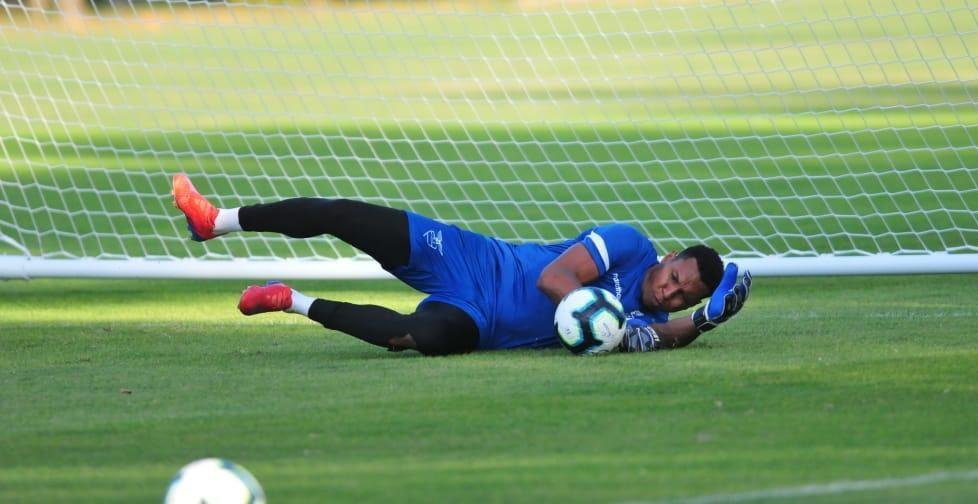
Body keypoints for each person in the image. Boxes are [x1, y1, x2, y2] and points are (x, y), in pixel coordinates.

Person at [172, 173, 751, 356]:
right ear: (669, 257)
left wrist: (706, 322)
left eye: (683, 296)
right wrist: (599, 315)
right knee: (343, 214)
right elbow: (555, 278)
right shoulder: (628, 245)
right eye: (674, 278)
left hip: (482, 324)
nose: (671, 293)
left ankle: (291, 300)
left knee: (411, 338)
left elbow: (668, 335)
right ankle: (217, 220)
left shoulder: (637, 324)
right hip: (476, 260)